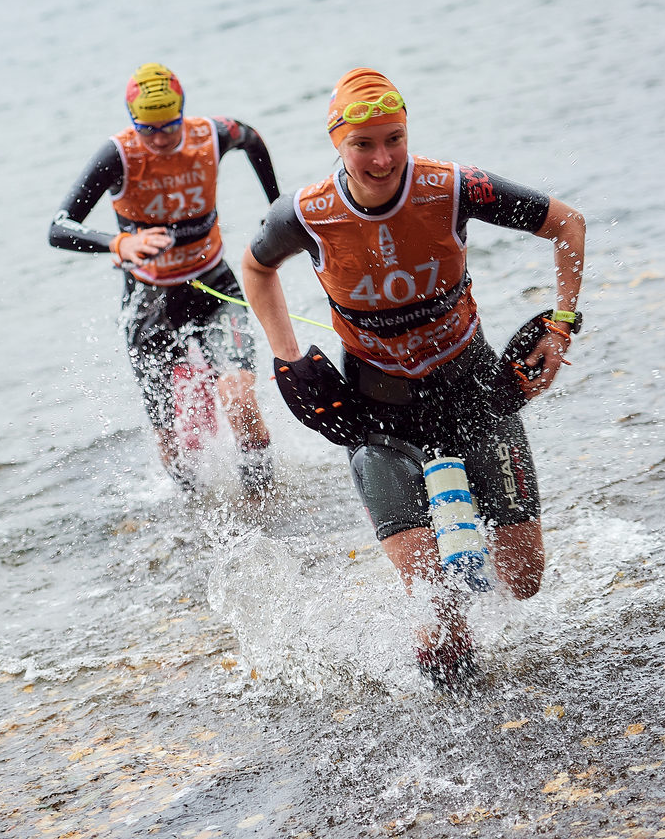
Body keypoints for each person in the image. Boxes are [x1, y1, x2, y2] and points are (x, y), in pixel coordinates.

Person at [240, 68, 586, 691]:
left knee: (525, 579)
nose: (382, 158)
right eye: (363, 144)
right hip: (377, 411)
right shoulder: (305, 214)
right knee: (438, 611)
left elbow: (568, 224)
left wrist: (560, 327)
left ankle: (464, 538)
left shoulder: (456, 189)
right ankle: (457, 726)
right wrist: (286, 358)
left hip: (475, 390)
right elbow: (255, 267)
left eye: (393, 138)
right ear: (337, 145)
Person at [49, 62, 284, 494]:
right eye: (148, 129)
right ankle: (193, 511)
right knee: (170, 437)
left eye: (168, 127)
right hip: (148, 300)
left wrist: (274, 205)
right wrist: (117, 244)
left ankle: (264, 503)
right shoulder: (117, 155)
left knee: (240, 402)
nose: (158, 139)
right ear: (133, 121)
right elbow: (59, 228)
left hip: (214, 285)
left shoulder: (212, 134)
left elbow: (252, 138)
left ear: (182, 113)